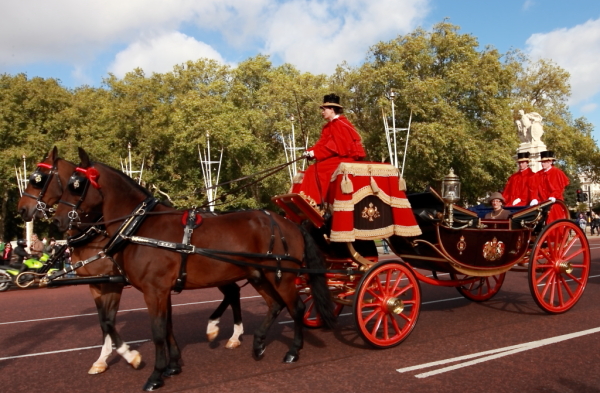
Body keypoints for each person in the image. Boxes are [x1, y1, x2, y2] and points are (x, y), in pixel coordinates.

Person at [298, 94, 366, 208]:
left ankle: (316, 203)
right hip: (335, 157)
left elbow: (334, 147)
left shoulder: (341, 124)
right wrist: (309, 152)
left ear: (332, 109)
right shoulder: (327, 127)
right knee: (309, 170)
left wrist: (315, 153)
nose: (322, 112)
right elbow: (322, 143)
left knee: (313, 170)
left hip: (345, 158)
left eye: (324, 109)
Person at [530, 151, 569, 223]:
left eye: (544, 162)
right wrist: (534, 198)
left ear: (550, 162)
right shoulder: (538, 174)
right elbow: (534, 189)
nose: (542, 164)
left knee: (554, 214)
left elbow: (559, 188)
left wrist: (553, 196)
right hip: (541, 202)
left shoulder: (557, 172)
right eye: (542, 162)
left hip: (555, 201)